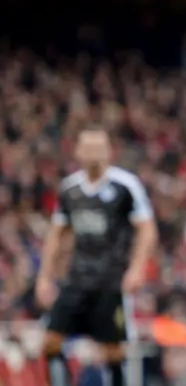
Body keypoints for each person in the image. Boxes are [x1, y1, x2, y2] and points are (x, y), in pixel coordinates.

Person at [37, 128, 158, 386]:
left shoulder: (126, 186)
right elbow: (56, 234)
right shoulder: (70, 189)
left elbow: (147, 229)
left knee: (113, 351)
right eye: (88, 148)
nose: (93, 153)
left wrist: (137, 269)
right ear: (78, 152)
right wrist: (45, 277)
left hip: (111, 280)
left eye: (99, 148)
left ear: (109, 152)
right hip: (78, 278)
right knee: (50, 341)